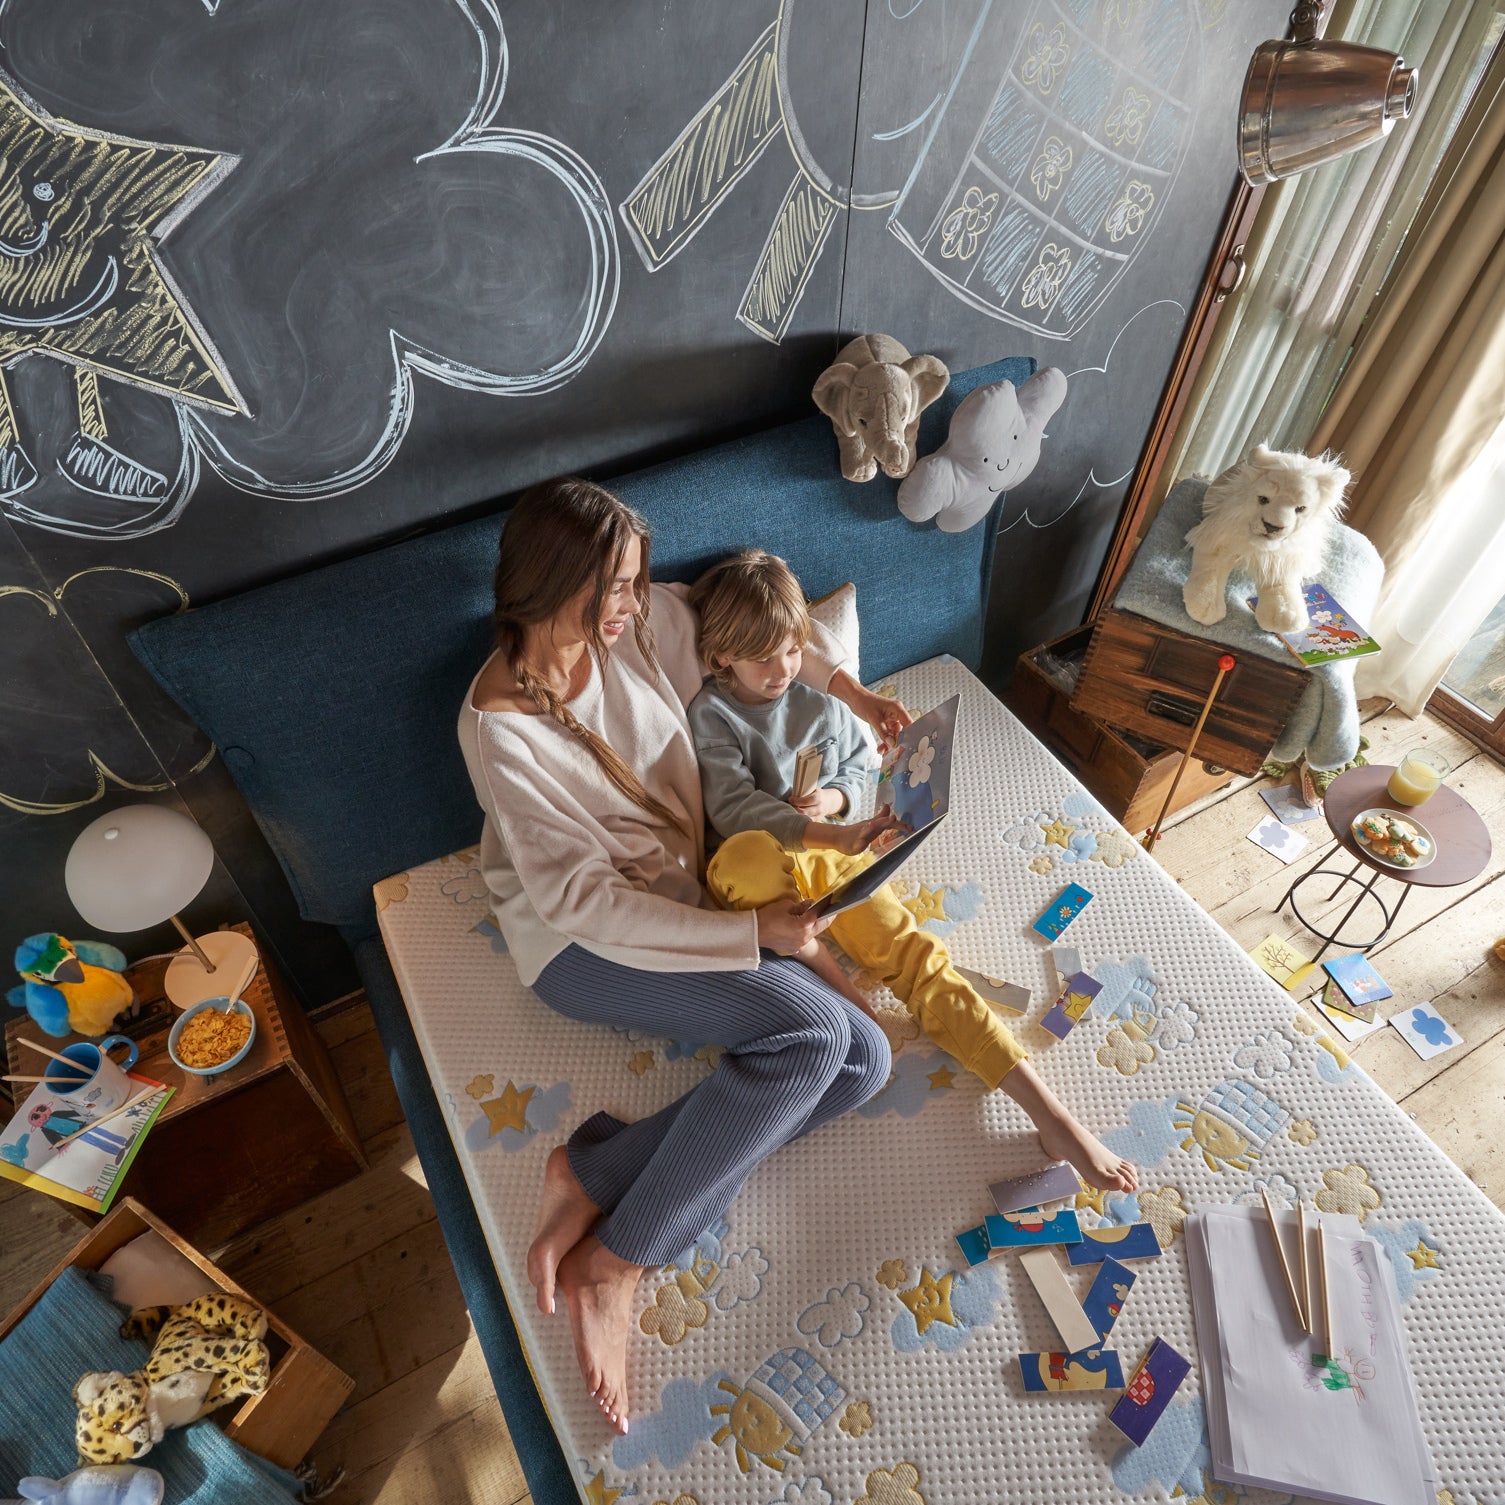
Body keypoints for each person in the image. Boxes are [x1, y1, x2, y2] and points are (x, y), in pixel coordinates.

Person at [456, 479, 906, 1436]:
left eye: (634, 584)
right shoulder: (501, 732)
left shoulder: (639, 625)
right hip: (581, 946)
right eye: (611, 589)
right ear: (547, 584)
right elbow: (583, 903)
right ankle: (620, 1259)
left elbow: (735, 617)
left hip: (684, 899)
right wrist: (750, 934)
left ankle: (596, 1170)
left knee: (864, 1061)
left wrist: (852, 690)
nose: (633, 606)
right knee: (815, 1036)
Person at [686, 549, 1139, 1195]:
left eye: (791, 650)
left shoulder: (816, 702)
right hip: (756, 866)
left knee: (916, 954)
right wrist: (823, 827)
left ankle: (1049, 1112)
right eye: (763, 657)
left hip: (830, 850)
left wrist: (838, 803)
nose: (782, 669)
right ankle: (832, 977)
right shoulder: (712, 714)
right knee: (746, 856)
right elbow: (729, 805)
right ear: (720, 655)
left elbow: (853, 767)